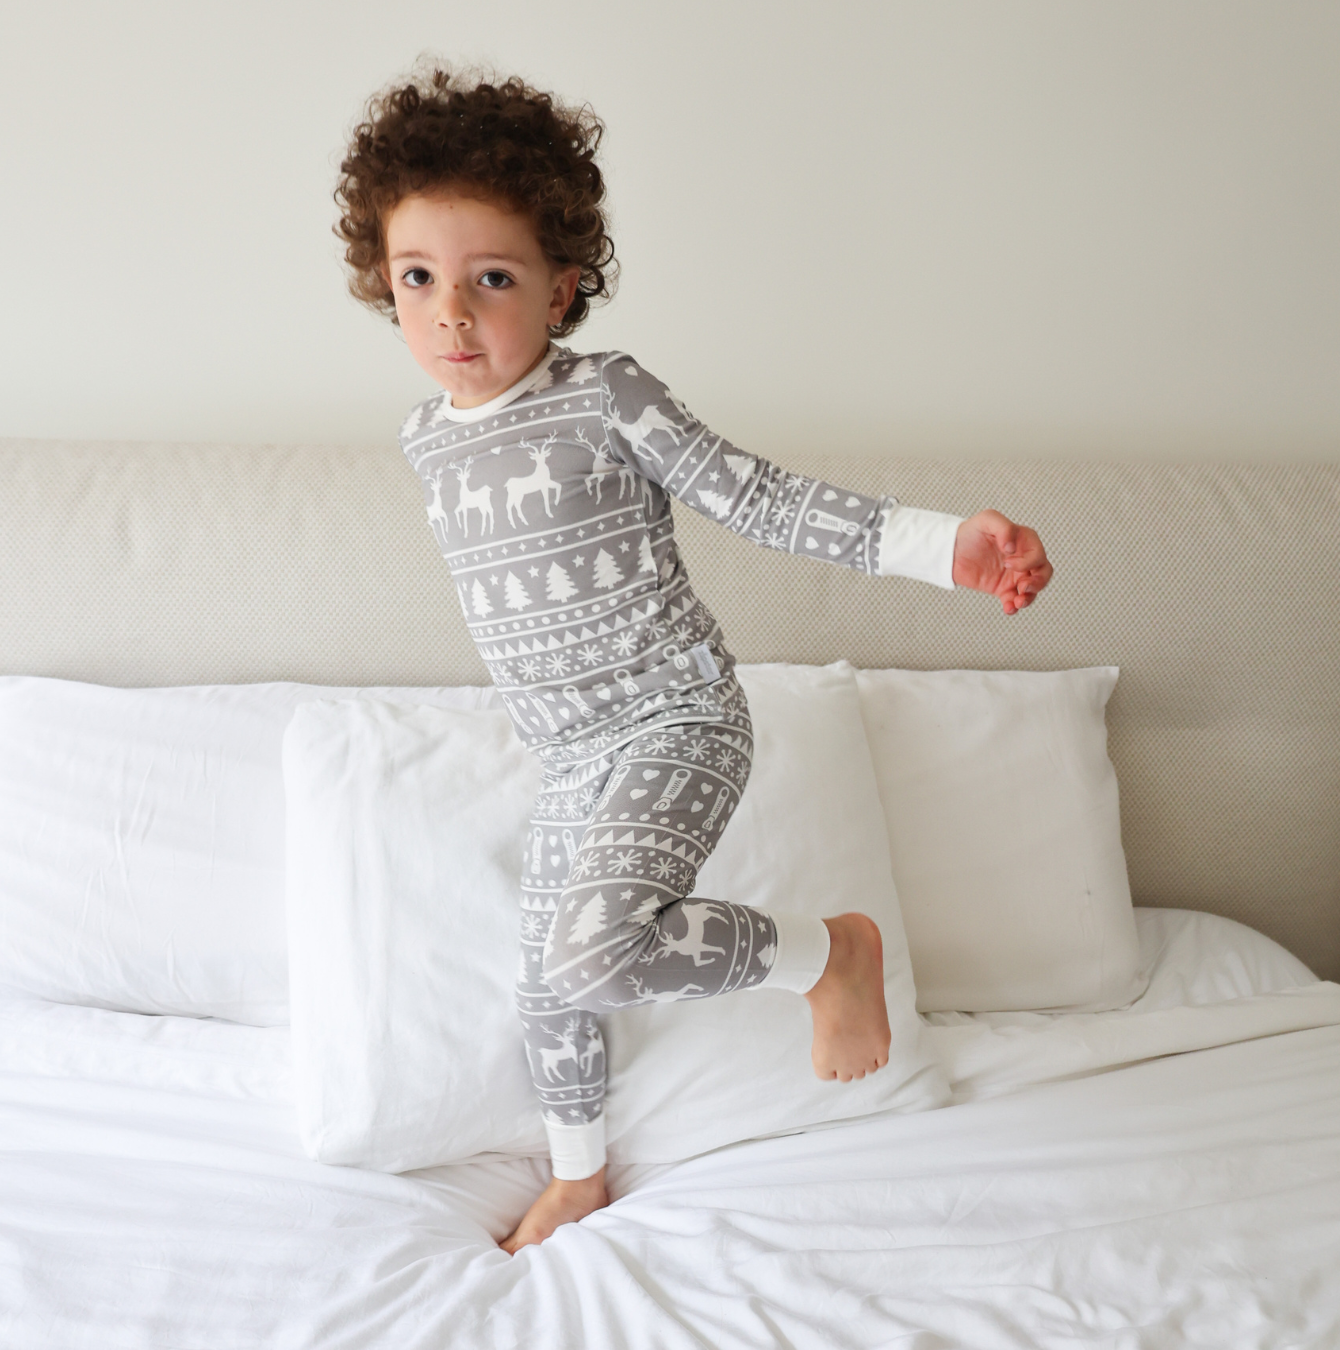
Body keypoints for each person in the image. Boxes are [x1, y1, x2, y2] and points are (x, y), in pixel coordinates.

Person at [335, 66, 1052, 1254]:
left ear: (562, 287)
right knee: (546, 984)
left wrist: (945, 545)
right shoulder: (425, 440)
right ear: (384, 282)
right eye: (418, 278)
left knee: (591, 949)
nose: (450, 314)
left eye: (491, 279)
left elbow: (759, 497)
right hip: (572, 760)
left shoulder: (605, 396)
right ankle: (579, 1176)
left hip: (676, 716)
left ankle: (834, 955)